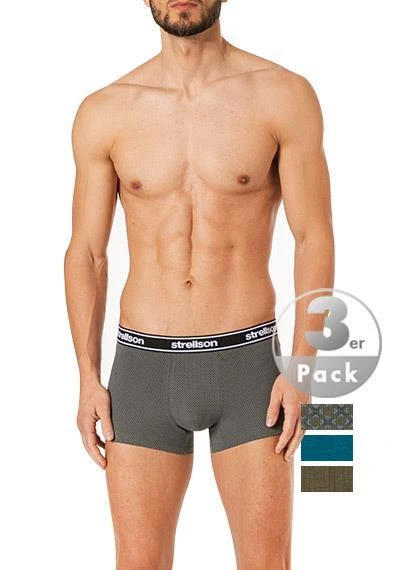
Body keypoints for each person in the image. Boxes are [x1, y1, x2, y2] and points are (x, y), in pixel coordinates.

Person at [64, 1, 334, 568]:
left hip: (252, 368)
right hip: (142, 368)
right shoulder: (104, 111)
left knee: (268, 563)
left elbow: (313, 237)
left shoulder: (283, 95)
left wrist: (304, 370)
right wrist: (88, 377)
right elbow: (87, 252)